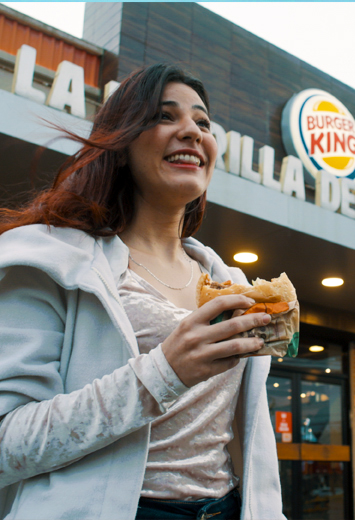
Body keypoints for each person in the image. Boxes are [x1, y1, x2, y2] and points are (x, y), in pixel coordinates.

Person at [0, 63, 285, 520]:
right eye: (165, 116)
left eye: (203, 122)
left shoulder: (232, 284)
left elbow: (248, 446)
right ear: (122, 141)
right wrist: (162, 374)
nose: (191, 131)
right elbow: (6, 445)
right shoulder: (49, 259)